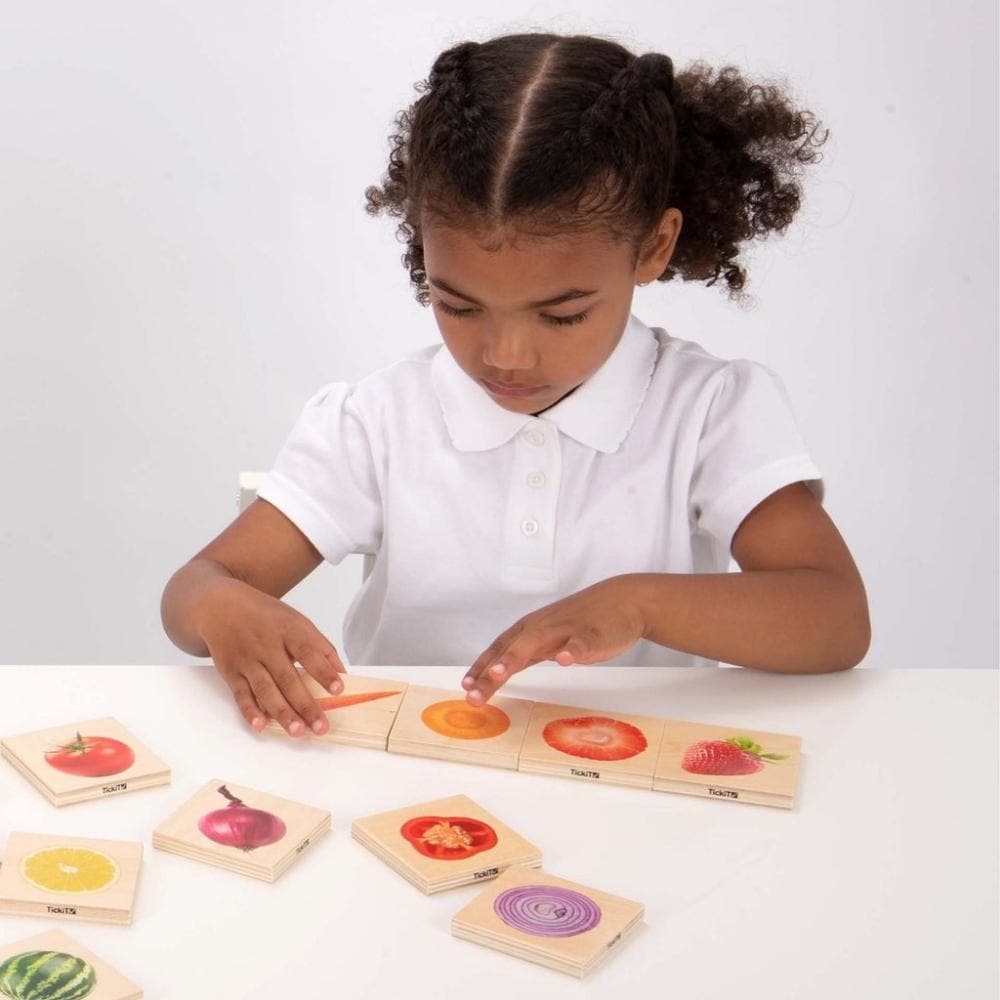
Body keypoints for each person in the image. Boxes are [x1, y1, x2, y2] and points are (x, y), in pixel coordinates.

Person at [161, 32, 870, 738]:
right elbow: (196, 587)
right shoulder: (377, 422)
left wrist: (639, 604)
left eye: (563, 315)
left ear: (652, 247)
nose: (504, 356)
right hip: (412, 782)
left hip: (639, 793)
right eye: (458, 305)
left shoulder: (709, 412)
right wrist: (223, 609)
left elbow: (836, 619)